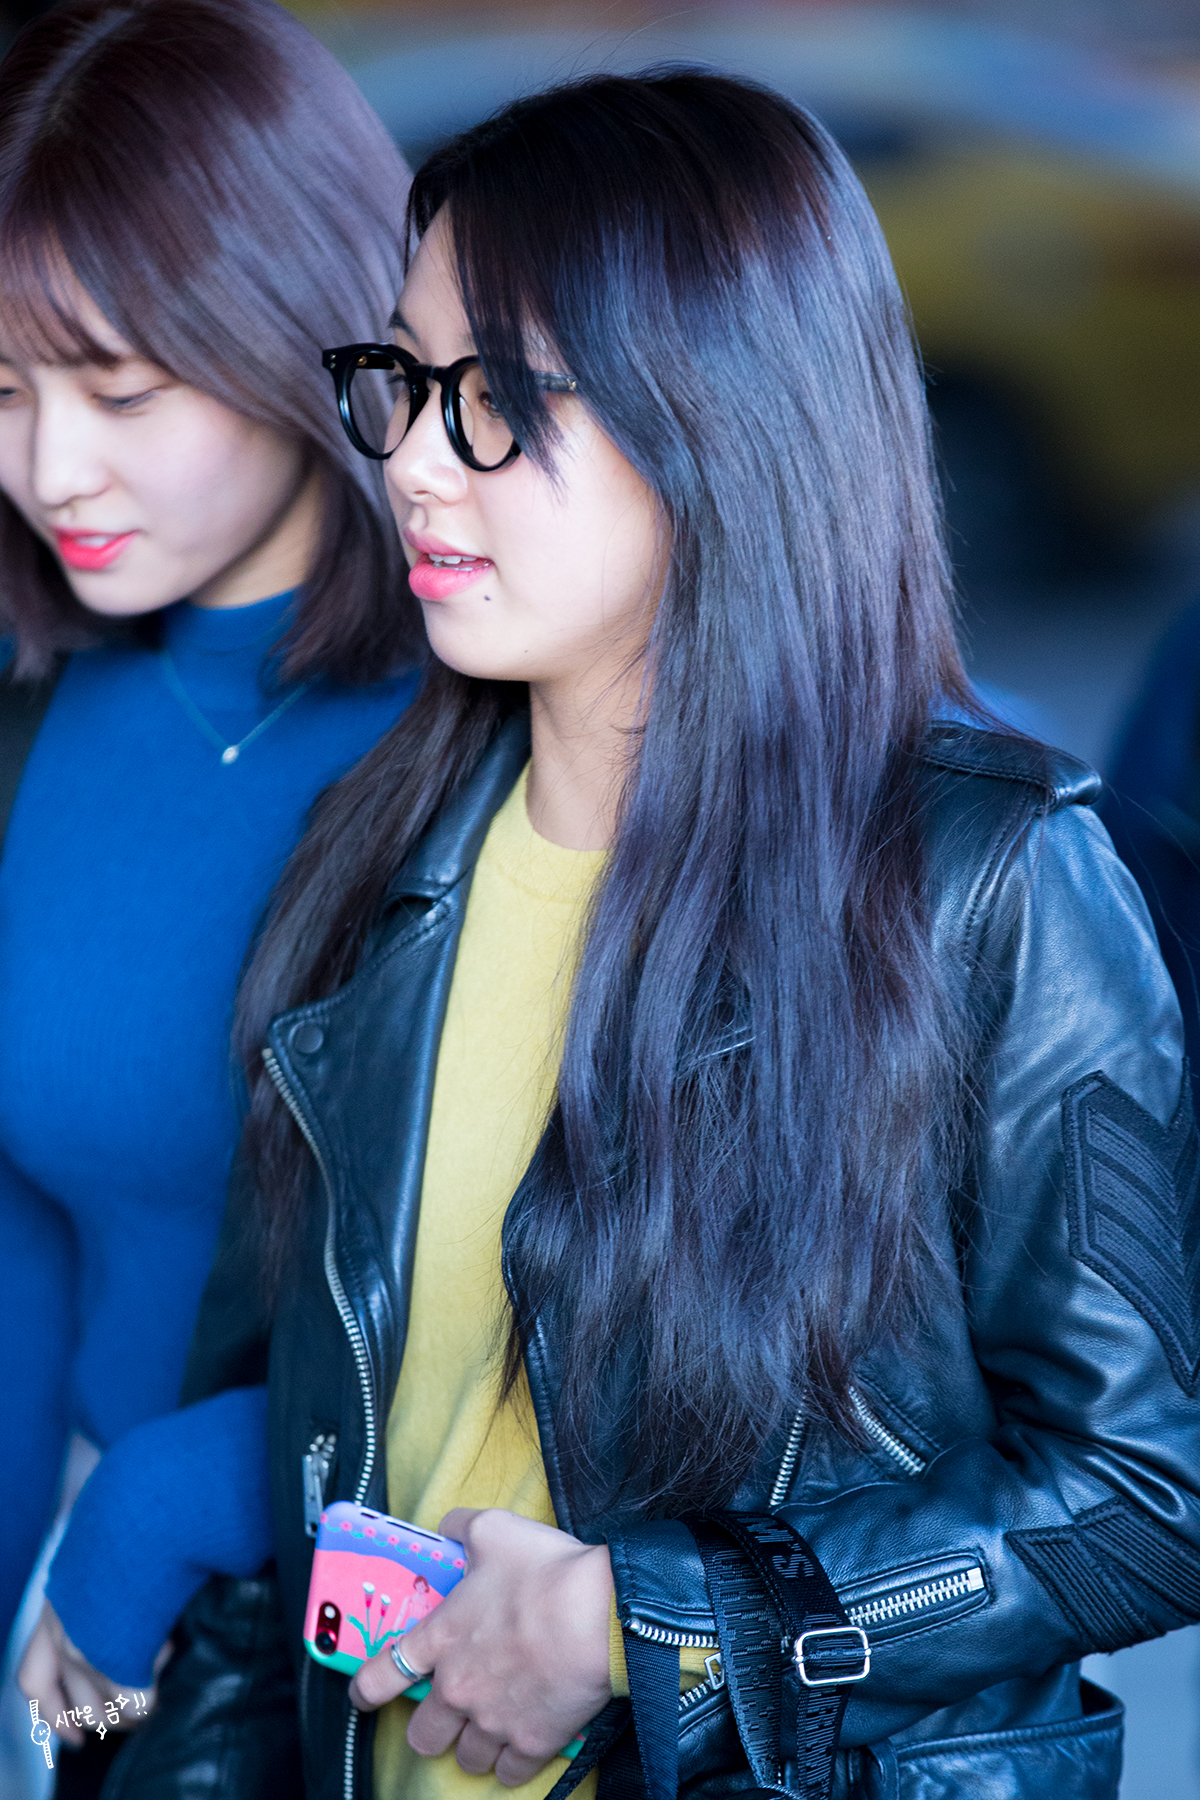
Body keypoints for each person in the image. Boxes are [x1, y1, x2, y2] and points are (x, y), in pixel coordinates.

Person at [168, 69, 1200, 1800]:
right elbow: (289, 1492)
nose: (410, 458)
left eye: (497, 399)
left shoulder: (994, 880)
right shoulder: (372, 863)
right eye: (404, 382)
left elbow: (1146, 1495)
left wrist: (653, 1619)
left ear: (722, 419)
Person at [0, 0, 418, 1790]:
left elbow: (586, 1315)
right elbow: (28, 1238)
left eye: (120, 391)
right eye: (1, 390)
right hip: (116, 1678)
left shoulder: (504, 726)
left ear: (300, 332)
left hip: (395, 1664)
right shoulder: (41, 719)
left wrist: (162, 1506)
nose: (48, 468)